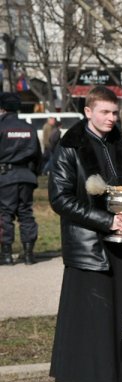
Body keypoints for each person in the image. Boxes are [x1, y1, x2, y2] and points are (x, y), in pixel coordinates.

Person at [49, 86, 122, 382]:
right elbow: (59, 198)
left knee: (118, 310)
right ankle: (85, 379)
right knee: (88, 315)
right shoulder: (70, 147)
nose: (111, 118)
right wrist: (108, 221)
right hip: (87, 242)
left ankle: (120, 374)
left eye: (114, 113)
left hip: (121, 239)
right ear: (88, 111)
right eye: (104, 112)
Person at [0, 92, 41, 266]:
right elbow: (38, 155)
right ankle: (29, 254)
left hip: (5, 176)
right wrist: (34, 174)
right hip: (27, 176)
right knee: (26, 213)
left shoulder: (1, 126)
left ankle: (7, 254)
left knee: (5, 214)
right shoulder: (28, 127)